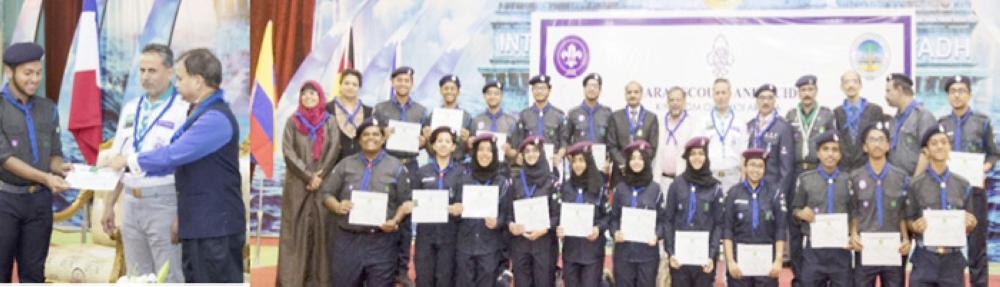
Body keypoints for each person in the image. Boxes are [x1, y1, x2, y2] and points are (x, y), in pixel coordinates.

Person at [127, 48, 245, 282]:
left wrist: (132, 160)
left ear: (199, 82)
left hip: (215, 228)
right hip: (198, 222)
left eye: (180, 78)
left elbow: (174, 155)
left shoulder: (215, 118)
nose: (177, 84)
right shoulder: (198, 111)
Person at [100, 43, 188, 283]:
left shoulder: (184, 108)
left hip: (164, 201)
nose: (146, 77)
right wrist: (110, 204)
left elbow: (185, 165)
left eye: (152, 70)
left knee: (168, 275)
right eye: (142, 70)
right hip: (130, 201)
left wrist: (183, 213)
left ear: (170, 72)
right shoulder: (131, 108)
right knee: (136, 276)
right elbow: (119, 160)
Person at [0, 42, 71, 283]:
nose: (34, 79)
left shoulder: (48, 108)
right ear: (9, 72)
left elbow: (54, 154)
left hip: (39, 203)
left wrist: (59, 167)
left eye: (38, 73)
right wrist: (46, 178)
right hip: (5, 202)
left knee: (34, 274)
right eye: (27, 73)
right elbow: (5, 159)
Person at [321, 118, 414, 286]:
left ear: (383, 138)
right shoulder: (345, 164)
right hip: (348, 240)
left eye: (375, 134)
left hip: (382, 242)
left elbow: (406, 202)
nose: (371, 138)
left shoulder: (396, 167)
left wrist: (395, 220)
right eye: (366, 134)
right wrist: (336, 205)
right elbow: (326, 193)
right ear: (359, 139)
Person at [275, 81, 340, 286]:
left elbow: (334, 148)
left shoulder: (330, 121)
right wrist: (308, 176)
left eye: (313, 94)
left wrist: (320, 176)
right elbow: (288, 152)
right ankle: (292, 281)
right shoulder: (292, 122)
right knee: (295, 233)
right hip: (297, 185)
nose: (309, 97)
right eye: (305, 94)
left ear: (320, 97)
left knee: (322, 233)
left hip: (324, 183)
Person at [936, 75, 997, 287]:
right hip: (948, 193)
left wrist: (986, 167)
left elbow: (993, 154)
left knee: (977, 246)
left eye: (962, 90)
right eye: (953, 91)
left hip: (974, 192)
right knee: (948, 243)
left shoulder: (982, 122)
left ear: (969, 94)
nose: (957, 95)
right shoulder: (941, 124)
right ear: (948, 96)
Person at [373, 66, 426, 285]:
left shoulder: (421, 111)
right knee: (385, 214)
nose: (403, 84)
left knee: (407, 219)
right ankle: (383, 266)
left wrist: (423, 142)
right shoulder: (380, 109)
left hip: (411, 166)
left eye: (407, 80)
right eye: (399, 80)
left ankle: (403, 270)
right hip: (387, 166)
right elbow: (371, 139)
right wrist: (383, 137)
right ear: (393, 83)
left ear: (411, 84)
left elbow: (426, 142)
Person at [905, 125, 977, 286]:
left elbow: (969, 225)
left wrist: (970, 224)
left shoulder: (963, 184)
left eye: (944, 142)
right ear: (926, 150)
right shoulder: (915, 185)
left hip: (953, 262)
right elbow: (908, 219)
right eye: (934, 143)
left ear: (949, 147)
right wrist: (915, 226)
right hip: (924, 259)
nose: (939, 146)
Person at [848, 123, 910, 287]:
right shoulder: (854, 177)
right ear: (865, 147)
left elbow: (903, 212)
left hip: (893, 248)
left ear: (888, 146)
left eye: (881, 140)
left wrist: (905, 238)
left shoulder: (901, 177)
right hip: (865, 247)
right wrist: (853, 234)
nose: (877, 144)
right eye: (872, 140)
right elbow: (853, 211)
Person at [790, 131, 852, 287]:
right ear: (818, 153)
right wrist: (800, 213)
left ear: (840, 154)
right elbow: (795, 210)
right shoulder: (805, 179)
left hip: (841, 250)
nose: (830, 154)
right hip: (814, 250)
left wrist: (853, 232)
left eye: (835, 149)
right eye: (825, 149)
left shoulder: (848, 180)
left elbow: (854, 212)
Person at [722, 149, 786, 287]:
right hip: (739, 262)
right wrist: (730, 261)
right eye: (752, 165)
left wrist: (778, 259)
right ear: (744, 167)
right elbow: (727, 230)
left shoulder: (775, 193)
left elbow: (780, 229)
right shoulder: (733, 193)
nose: (755, 170)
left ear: (764, 169)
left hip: (766, 262)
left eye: (760, 166)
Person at [663, 136, 722, 287]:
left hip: (704, 259)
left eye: (701, 154)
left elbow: (718, 224)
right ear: (687, 157)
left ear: (706, 157)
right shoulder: (676, 185)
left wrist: (711, 255)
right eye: (693, 154)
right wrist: (671, 252)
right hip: (679, 258)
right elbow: (668, 220)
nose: (697, 158)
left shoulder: (715, 187)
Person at [454, 133, 510, 287]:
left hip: (490, 247)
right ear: (474, 153)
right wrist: (456, 211)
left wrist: (497, 222)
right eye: (480, 150)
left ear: (494, 154)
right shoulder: (463, 179)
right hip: (465, 245)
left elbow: (506, 214)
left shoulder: (502, 182)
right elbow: (454, 211)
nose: (484, 154)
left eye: (489, 150)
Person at [504, 135, 559, 287]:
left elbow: (557, 216)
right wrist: (511, 225)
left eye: (535, 151)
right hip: (521, 244)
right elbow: (508, 214)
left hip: (544, 244)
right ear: (522, 156)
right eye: (527, 151)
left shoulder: (552, 181)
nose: (531, 154)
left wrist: (545, 228)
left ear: (541, 153)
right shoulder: (515, 181)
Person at [413, 127, 463, 287]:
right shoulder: (422, 172)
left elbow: (464, 203)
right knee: (423, 279)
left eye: (447, 141)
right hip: (425, 235)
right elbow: (412, 199)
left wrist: (459, 208)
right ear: (432, 145)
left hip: (450, 234)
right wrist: (413, 205)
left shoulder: (461, 173)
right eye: (439, 141)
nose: (443, 144)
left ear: (453, 146)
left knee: (445, 280)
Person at [610, 140, 664, 287]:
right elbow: (614, 219)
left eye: (640, 158)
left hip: (647, 255)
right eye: (633, 158)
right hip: (624, 254)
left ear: (646, 161)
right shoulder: (620, 189)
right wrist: (615, 233)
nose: (636, 162)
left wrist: (657, 235)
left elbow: (662, 221)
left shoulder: (656, 190)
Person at [556, 141, 609, 287]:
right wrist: (559, 228)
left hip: (592, 252)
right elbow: (558, 215)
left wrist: (598, 229)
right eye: (574, 161)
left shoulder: (599, 186)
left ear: (588, 162)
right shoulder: (565, 187)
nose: (578, 165)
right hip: (571, 252)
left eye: (581, 161)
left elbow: (607, 216)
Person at [701, 78, 749, 192]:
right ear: (712, 95)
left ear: (730, 94)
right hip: (710, 176)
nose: (720, 96)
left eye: (723, 92)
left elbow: (744, 152)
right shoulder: (703, 121)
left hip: (733, 176)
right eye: (717, 93)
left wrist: (743, 177)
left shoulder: (740, 121)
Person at [884, 73, 936, 176]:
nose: (885, 96)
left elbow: (927, 152)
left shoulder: (923, 116)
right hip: (895, 180)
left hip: (916, 181)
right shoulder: (894, 120)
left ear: (899, 90)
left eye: (888, 91)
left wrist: (915, 181)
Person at [833, 70, 886, 171]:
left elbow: (880, 140)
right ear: (841, 87)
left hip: (868, 166)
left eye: (854, 81)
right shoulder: (837, 112)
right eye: (846, 82)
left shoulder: (874, 110)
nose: (850, 85)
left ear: (861, 85)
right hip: (844, 167)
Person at [607, 81, 659, 178]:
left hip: (643, 172)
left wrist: (639, 163)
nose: (632, 95)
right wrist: (624, 163)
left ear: (641, 94)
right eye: (629, 92)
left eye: (636, 92)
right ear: (625, 95)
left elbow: (652, 147)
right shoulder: (615, 117)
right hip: (620, 172)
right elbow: (611, 146)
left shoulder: (651, 118)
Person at [513, 75, 566, 168]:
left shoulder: (559, 115)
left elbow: (564, 142)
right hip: (529, 166)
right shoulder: (524, 115)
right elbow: (518, 142)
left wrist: (559, 156)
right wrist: (519, 155)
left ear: (549, 90)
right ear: (532, 91)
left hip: (552, 166)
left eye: (542, 88)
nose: (539, 91)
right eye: (536, 88)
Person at [786, 75, 835, 174]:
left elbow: (833, 144)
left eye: (810, 89)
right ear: (799, 93)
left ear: (816, 91)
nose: (807, 93)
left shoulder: (826, 114)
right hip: (796, 170)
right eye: (803, 90)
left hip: (819, 169)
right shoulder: (791, 115)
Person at [325, 68, 372, 164]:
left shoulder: (369, 112)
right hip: (333, 165)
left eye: (354, 84)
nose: (350, 87)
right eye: (346, 83)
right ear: (340, 85)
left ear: (359, 88)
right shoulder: (327, 108)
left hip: (361, 164)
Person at [423, 75, 472, 163]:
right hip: (436, 164)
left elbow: (469, 150)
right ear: (441, 91)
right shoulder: (433, 115)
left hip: (458, 165)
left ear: (458, 92)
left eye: (453, 88)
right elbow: (430, 150)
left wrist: (466, 141)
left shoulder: (466, 117)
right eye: (446, 88)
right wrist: (426, 139)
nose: (449, 91)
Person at [471, 81, 518, 163]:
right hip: (480, 166)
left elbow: (516, 151)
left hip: (502, 167)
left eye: (496, 94)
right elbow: (470, 149)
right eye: (489, 94)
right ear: (484, 96)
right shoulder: (476, 120)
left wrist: (509, 151)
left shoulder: (511, 121)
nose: (492, 96)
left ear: (501, 96)